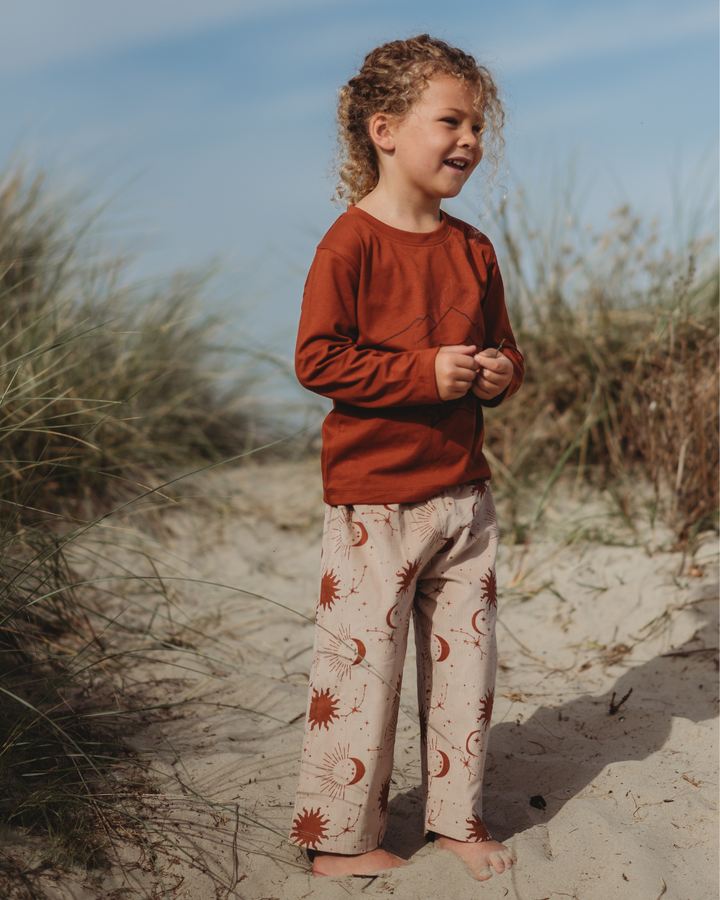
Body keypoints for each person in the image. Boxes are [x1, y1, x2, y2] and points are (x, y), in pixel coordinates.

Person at [289, 34, 523, 882]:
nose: (469, 140)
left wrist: (499, 372)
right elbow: (319, 359)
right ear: (385, 130)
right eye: (450, 121)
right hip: (373, 501)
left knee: (466, 671)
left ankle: (457, 819)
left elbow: (504, 349)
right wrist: (424, 372)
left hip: (464, 498)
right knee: (363, 672)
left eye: (477, 125)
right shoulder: (348, 244)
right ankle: (339, 842)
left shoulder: (474, 249)